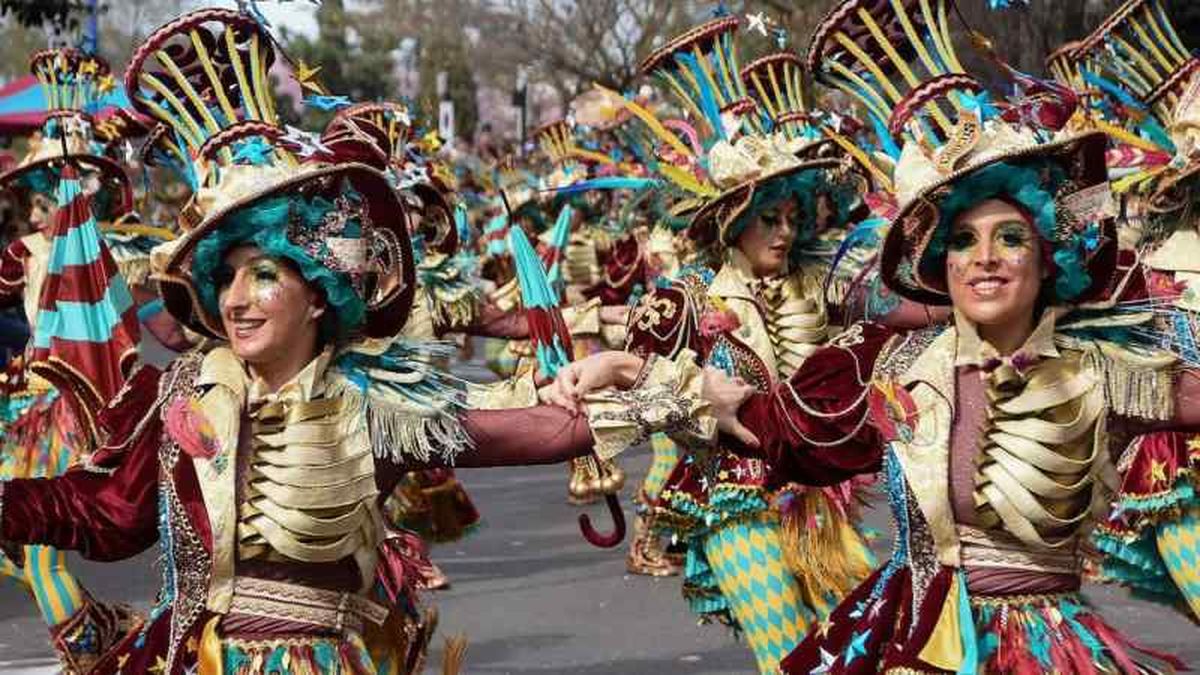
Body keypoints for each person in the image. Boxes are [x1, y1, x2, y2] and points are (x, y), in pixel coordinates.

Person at [0, 9, 707, 673]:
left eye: (266, 274)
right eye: (228, 277)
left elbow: (537, 429)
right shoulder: (182, 389)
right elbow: (103, 511)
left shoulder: (378, 404)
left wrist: (656, 384)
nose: (238, 299)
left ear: (317, 292)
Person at [559, 1, 1200, 671]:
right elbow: (775, 425)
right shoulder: (893, 369)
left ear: (1046, 258)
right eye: (962, 239)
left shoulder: (1105, 368)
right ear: (940, 264)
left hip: (1054, 649)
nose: (984, 257)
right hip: (926, 641)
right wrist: (633, 375)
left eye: (1010, 236)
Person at [0, 47, 142, 673]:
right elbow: (158, 324)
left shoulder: (25, 252)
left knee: (38, 556)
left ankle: (96, 653)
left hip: (49, 413)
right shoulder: (118, 252)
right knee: (29, 550)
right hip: (90, 409)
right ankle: (102, 633)